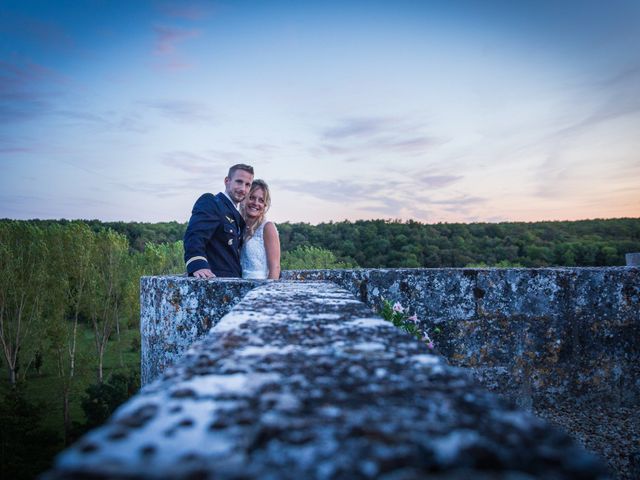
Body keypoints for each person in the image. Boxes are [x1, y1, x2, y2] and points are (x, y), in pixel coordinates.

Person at [183, 164, 254, 278]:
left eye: (247, 185)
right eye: (239, 182)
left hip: (234, 282)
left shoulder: (237, 216)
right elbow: (195, 234)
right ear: (227, 181)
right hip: (215, 282)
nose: (243, 189)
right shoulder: (212, 202)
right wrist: (198, 265)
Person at [240, 179, 281, 279]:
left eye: (261, 200)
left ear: (265, 205)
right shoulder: (238, 226)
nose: (256, 203)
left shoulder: (267, 227)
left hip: (260, 286)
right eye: (252, 197)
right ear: (244, 198)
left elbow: (275, 267)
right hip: (239, 285)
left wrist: (268, 292)